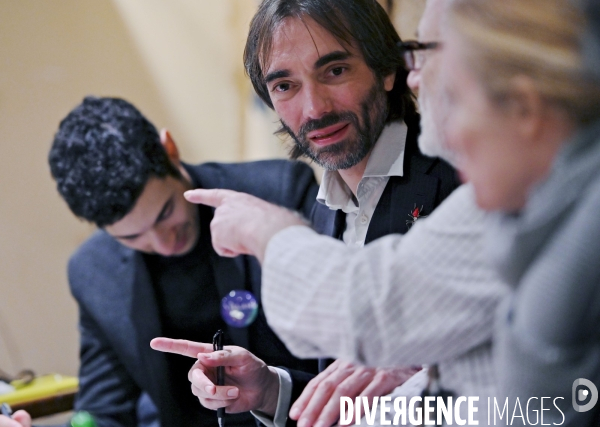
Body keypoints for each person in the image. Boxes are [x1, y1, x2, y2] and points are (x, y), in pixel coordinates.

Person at [154, 0, 510, 425]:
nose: (314, 109)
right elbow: (356, 393)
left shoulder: (468, 176)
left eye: (335, 71)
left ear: (388, 70)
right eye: (285, 86)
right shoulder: (319, 207)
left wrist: (422, 360)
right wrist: (271, 389)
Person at [0, 96, 322, 427]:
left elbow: (347, 364)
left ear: (170, 150)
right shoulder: (95, 269)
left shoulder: (277, 196)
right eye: (132, 237)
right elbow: (104, 410)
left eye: (165, 213)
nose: (164, 244)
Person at [439, 0, 600, 425]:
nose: (446, 133)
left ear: (525, 108)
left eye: (455, 99)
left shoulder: (575, 282)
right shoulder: (551, 240)